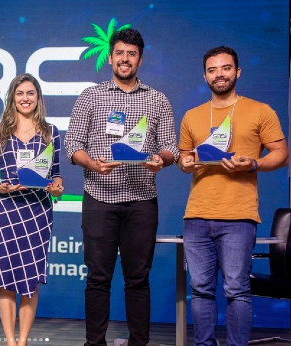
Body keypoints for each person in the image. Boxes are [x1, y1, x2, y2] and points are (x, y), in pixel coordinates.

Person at [64, 28, 178, 346]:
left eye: (131, 53)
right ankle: (94, 343)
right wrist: (91, 163)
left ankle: (139, 342)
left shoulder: (157, 100)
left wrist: (161, 160)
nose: (124, 59)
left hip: (142, 200)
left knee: (138, 279)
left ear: (139, 59)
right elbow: (72, 143)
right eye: (119, 53)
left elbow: (172, 147)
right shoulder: (91, 96)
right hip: (99, 197)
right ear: (111, 57)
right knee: (98, 278)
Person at [178, 46, 288, 346]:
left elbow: (281, 154)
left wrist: (254, 163)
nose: (219, 75)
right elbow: (184, 157)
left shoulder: (260, 111)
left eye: (226, 68)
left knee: (236, 290)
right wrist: (184, 162)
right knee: (200, 289)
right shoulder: (192, 115)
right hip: (197, 216)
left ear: (237, 71)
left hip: (239, 216)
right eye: (212, 70)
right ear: (205, 76)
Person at [0, 73, 63, 346]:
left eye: (30, 93)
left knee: (30, 279)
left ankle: (23, 341)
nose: (25, 99)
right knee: (6, 278)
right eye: (19, 93)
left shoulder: (51, 132)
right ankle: (10, 342)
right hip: (6, 213)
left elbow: (57, 174)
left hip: (37, 213)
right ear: (12, 97)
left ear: (38, 97)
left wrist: (56, 186)